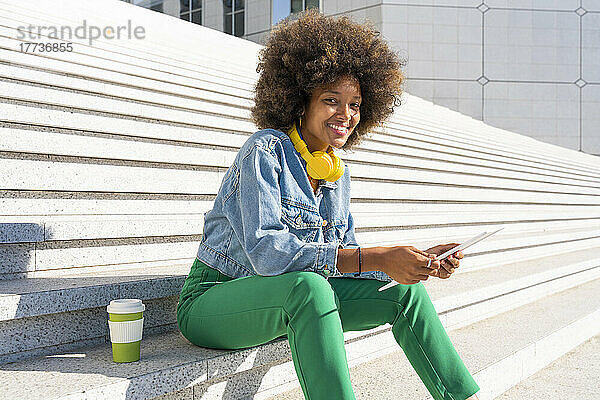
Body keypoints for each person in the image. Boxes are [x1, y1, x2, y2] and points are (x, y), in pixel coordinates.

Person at [176, 9, 480, 400]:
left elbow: (345, 259)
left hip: (288, 298)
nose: (346, 114)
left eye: (355, 104)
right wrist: (377, 256)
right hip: (215, 299)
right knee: (309, 287)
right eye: (331, 100)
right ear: (301, 102)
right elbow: (268, 255)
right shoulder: (265, 151)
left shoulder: (337, 173)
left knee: (405, 294)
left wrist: (414, 261)